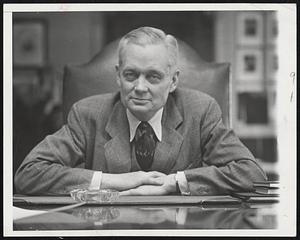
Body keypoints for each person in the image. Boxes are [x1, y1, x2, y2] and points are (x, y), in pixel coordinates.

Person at [14, 26, 267, 196]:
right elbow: (28, 174)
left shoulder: (201, 111)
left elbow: (252, 174)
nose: (140, 87)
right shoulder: (88, 114)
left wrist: (175, 182)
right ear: (117, 76)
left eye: (154, 77)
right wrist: (112, 181)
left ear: (174, 81)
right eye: (131, 75)